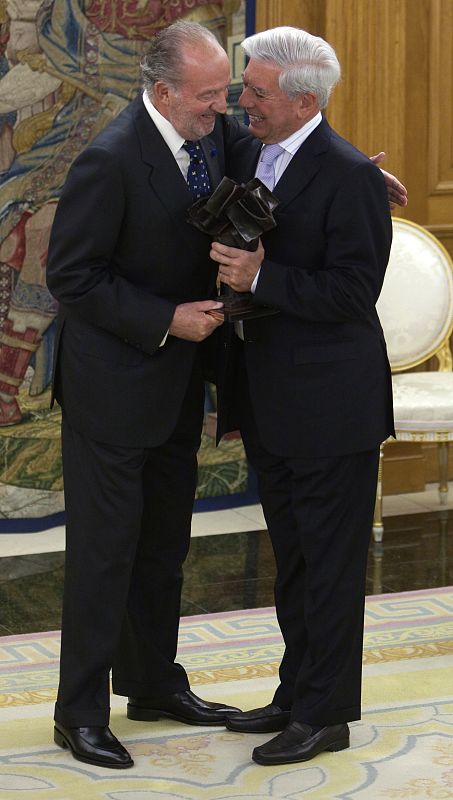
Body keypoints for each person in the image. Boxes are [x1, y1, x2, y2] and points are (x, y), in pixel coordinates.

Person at [45, 20, 250, 770]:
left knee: (162, 547)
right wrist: (164, 319)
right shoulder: (109, 158)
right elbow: (72, 277)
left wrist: (360, 173)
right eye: (207, 96)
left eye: (224, 93)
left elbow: (273, 151)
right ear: (162, 92)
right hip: (113, 388)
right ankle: (79, 715)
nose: (220, 108)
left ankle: (153, 683)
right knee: (104, 556)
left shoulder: (210, 133)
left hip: (174, 387)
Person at [210, 26, 395, 766]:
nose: (239, 102)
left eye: (254, 92)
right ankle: (295, 692)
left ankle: (325, 715)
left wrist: (259, 280)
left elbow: (352, 293)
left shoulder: (348, 175)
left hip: (329, 406)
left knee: (329, 566)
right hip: (272, 401)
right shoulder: (254, 147)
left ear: (302, 100)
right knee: (293, 561)